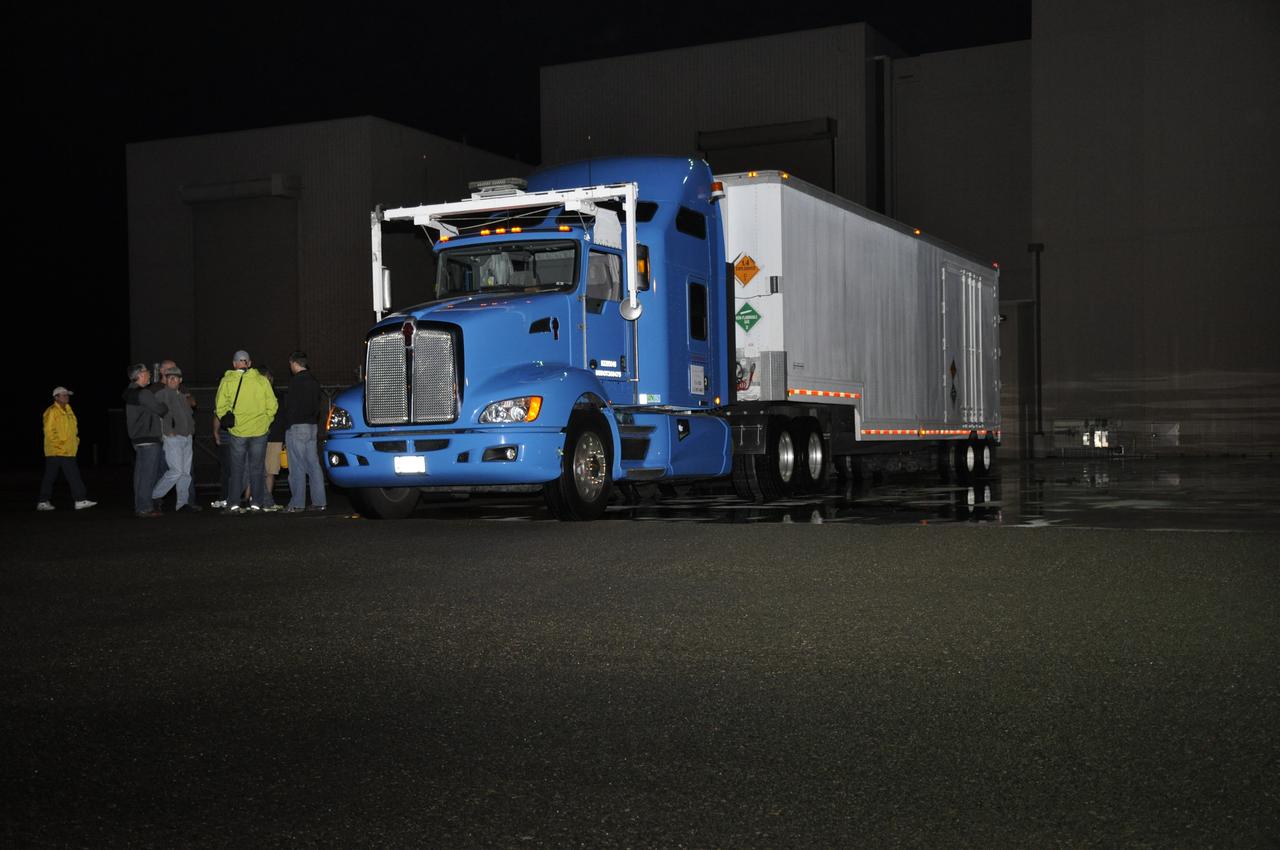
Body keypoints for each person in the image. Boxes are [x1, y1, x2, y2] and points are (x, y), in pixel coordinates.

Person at [214, 350, 277, 514]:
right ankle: (256, 503)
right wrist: (266, 422)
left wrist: (231, 425)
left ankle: (234, 504)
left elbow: (219, 407)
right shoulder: (262, 381)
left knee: (237, 469)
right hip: (259, 431)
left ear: (234, 364)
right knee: (257, 468)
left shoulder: (227, 381)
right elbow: (273, 405)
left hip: (238, 432)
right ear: (249, 363)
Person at [36, 387, 96, 511]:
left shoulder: (69, 410)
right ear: (56, 397)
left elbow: (73, 429)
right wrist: (60, 445)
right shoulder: (52, 411)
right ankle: (80, 500)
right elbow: (48, 431)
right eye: (63, 395)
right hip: (58, 450)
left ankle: (43, 501)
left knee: (50, 476)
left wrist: (76, 441)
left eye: (67, 395)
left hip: (67, 449)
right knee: (72, 475)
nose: (67, 397)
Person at [150, 367, 200, 513]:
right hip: (173, 438)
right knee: (176, 471)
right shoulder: (161, 394)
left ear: (180, 380)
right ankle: (154, 496)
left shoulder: (182, 396)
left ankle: (182, 503)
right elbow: (156, 414)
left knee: (185, 473)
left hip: (187, 437)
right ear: (165, 380)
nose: (172, 380)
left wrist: (191, 431)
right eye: (169, 377)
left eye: (175, 377)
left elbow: (189, 413)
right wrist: (167, 431)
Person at [284, 351, 328, 512]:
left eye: (290, 364)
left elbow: (289, 407)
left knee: (297, 467)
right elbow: (318, 405)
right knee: (313, 465)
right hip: (311, 426)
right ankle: (319, 502)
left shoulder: (295, 382)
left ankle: (297, 504)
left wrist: (287, 426)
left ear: (294, 363)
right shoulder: (314, 381)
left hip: (297, 427)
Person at [123, 363, 166, 518]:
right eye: (147, 372)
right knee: (148, 476)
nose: (149, 374)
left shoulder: (129, 392)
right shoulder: (144, 393)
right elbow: (161, 409)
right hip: (149, 437)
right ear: (140, 374)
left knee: (140, 476)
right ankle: (145, 507)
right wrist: (163, 404)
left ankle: (140, 506)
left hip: (137, 438)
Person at [259, 366, 284, 512]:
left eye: (269, 378)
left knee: (271, 470)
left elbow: (281, 417)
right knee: (258, 470)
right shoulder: (256, 394)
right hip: (259, 435)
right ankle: (255, 499)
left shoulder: (278, 395)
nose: (267, 381)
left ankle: (267, 500)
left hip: (274, 437)